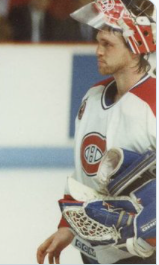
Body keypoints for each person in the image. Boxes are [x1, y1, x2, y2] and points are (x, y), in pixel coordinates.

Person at [36, 0, 156, 264]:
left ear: (135, 49)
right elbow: (84, 176)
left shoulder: (154, 103)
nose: (98, 51)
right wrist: (66, 227)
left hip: (141, 253)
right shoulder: (92, 98)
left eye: (108, 44)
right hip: (93, 251)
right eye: (98, 42)